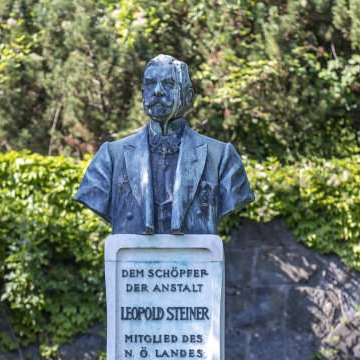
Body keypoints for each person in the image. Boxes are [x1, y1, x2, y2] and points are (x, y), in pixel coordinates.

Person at [75, 54, 253, 234]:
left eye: (168, 84)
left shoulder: (222, 157)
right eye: (150, 84)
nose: (158, 91)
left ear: (188, 95)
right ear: (143, 93)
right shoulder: (110, 157)